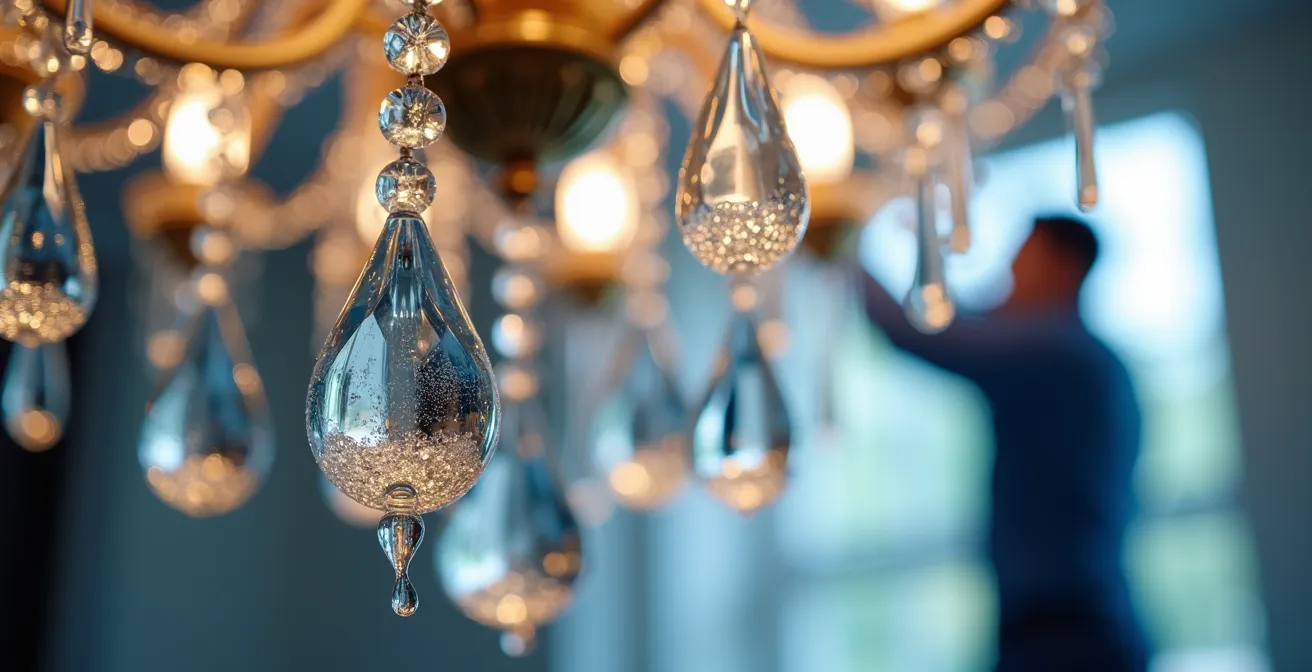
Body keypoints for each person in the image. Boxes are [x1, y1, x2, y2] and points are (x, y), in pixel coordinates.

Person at [863, 215, 1150, 672]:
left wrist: (833, 238)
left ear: (1064, 268)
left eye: (1022, 263)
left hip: (1067, 639)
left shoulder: (1059, 354)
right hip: (1063, 626)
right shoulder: (1078, 356)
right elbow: (955, 318)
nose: (1008, 276)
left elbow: (927, 335)